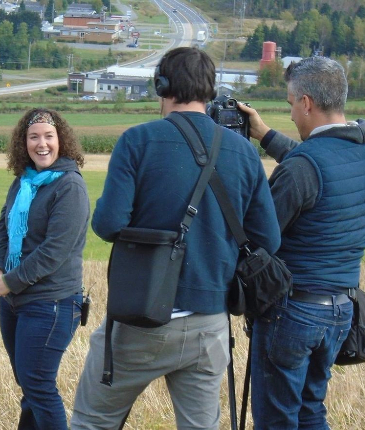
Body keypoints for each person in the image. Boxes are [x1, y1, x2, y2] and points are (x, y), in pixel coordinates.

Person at [71, 47, 281, 429]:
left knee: (92, 421)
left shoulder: (137, 141)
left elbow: (107, 224)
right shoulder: (243, 151)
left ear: (161, 85)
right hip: (210, 324)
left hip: (140, 322)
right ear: (210, 91)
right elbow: (268, 238)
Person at [238, 56, 365, 429]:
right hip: (341, 311)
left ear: (306, 102)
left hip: (293, 311)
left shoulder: (306, 167)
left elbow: (259, 233)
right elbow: (321, 168)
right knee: (310, 411)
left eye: (291, 103)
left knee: (277, 419)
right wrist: (265, 134)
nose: (290, 114)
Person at [0, 108, 90, 429]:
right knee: (30, 385)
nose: (41, 144)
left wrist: (11, 281)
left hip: (53, 303)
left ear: (62, 141)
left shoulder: (69, 187)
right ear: (24, 142)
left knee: (39, 386)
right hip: (17, 302)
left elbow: (55, 251)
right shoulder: (23, 182)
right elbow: (3, 228)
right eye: (34, 137)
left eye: (49, 136)